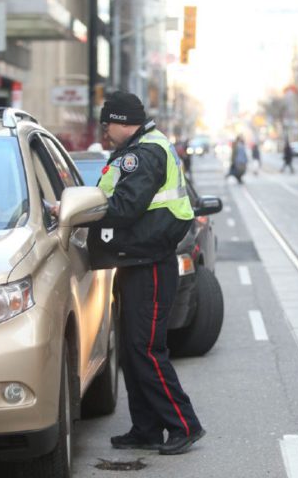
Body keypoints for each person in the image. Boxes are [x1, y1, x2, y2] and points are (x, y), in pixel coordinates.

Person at [55, 91, 204, 455]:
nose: (105, 132)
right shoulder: (138, 149)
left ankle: (184, 424)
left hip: (150, 265)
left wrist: (78, 210)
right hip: (136, 261)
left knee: (146, 349)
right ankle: (146, 429)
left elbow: (124, 207)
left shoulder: (145, 153)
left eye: (108, 124)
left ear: (122, 122)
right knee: (133, 350)